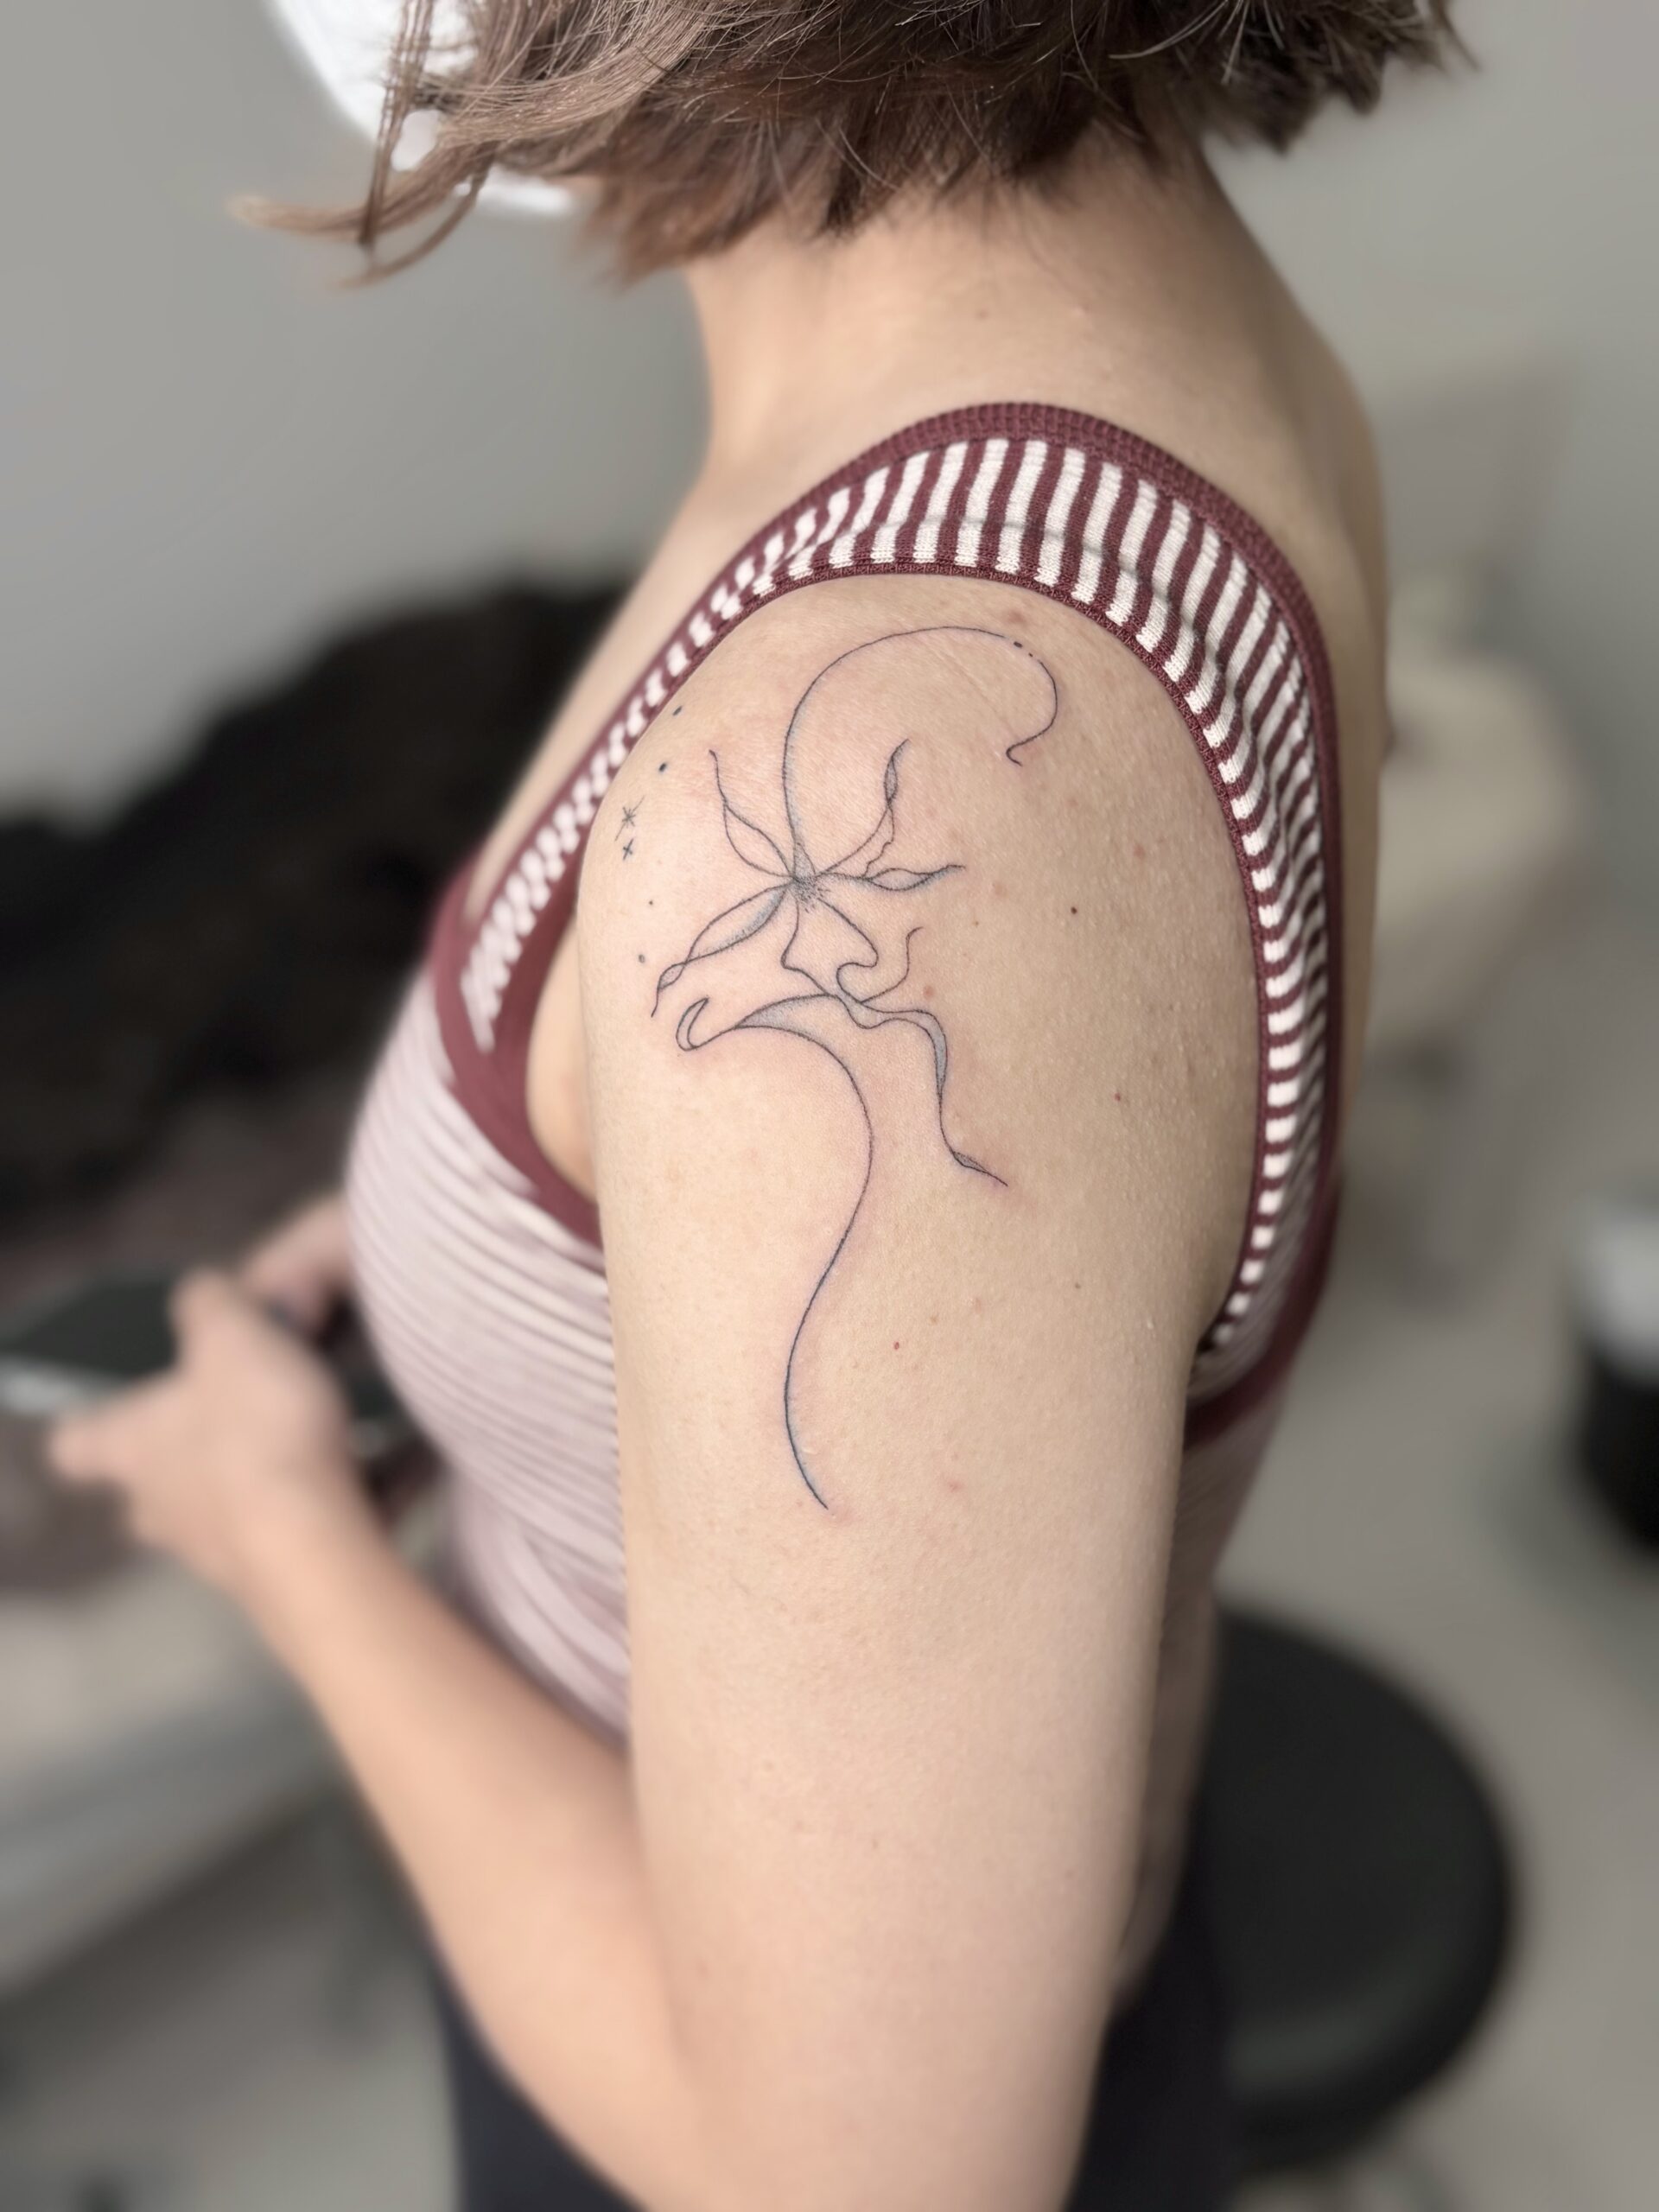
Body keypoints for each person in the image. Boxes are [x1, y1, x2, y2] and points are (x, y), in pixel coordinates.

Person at [50, 5, 1457, 2206]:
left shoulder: (906, 739)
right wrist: (480, 1264)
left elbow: (847, 2170)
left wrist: (285, 1538)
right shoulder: (1167, 358)